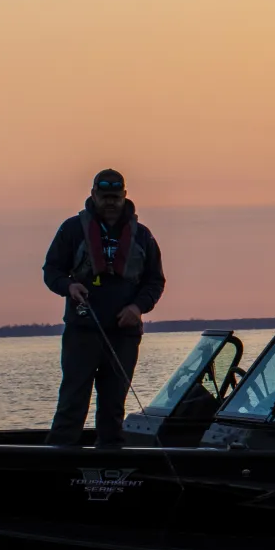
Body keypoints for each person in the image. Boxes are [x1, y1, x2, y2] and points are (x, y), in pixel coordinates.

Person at [42, 169, 165, 448]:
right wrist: (69, 286)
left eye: (115, 197)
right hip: (83, 330)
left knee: (113, 405)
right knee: (72, 401)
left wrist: (137, 307)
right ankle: (58, 457)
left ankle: (111, 458)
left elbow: (155, 281)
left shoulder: (143, 235)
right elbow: (51, 271)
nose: (110, 202)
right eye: (104, 196)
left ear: (124, 196)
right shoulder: (72, 229)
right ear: (93, 195)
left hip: (124, 334)